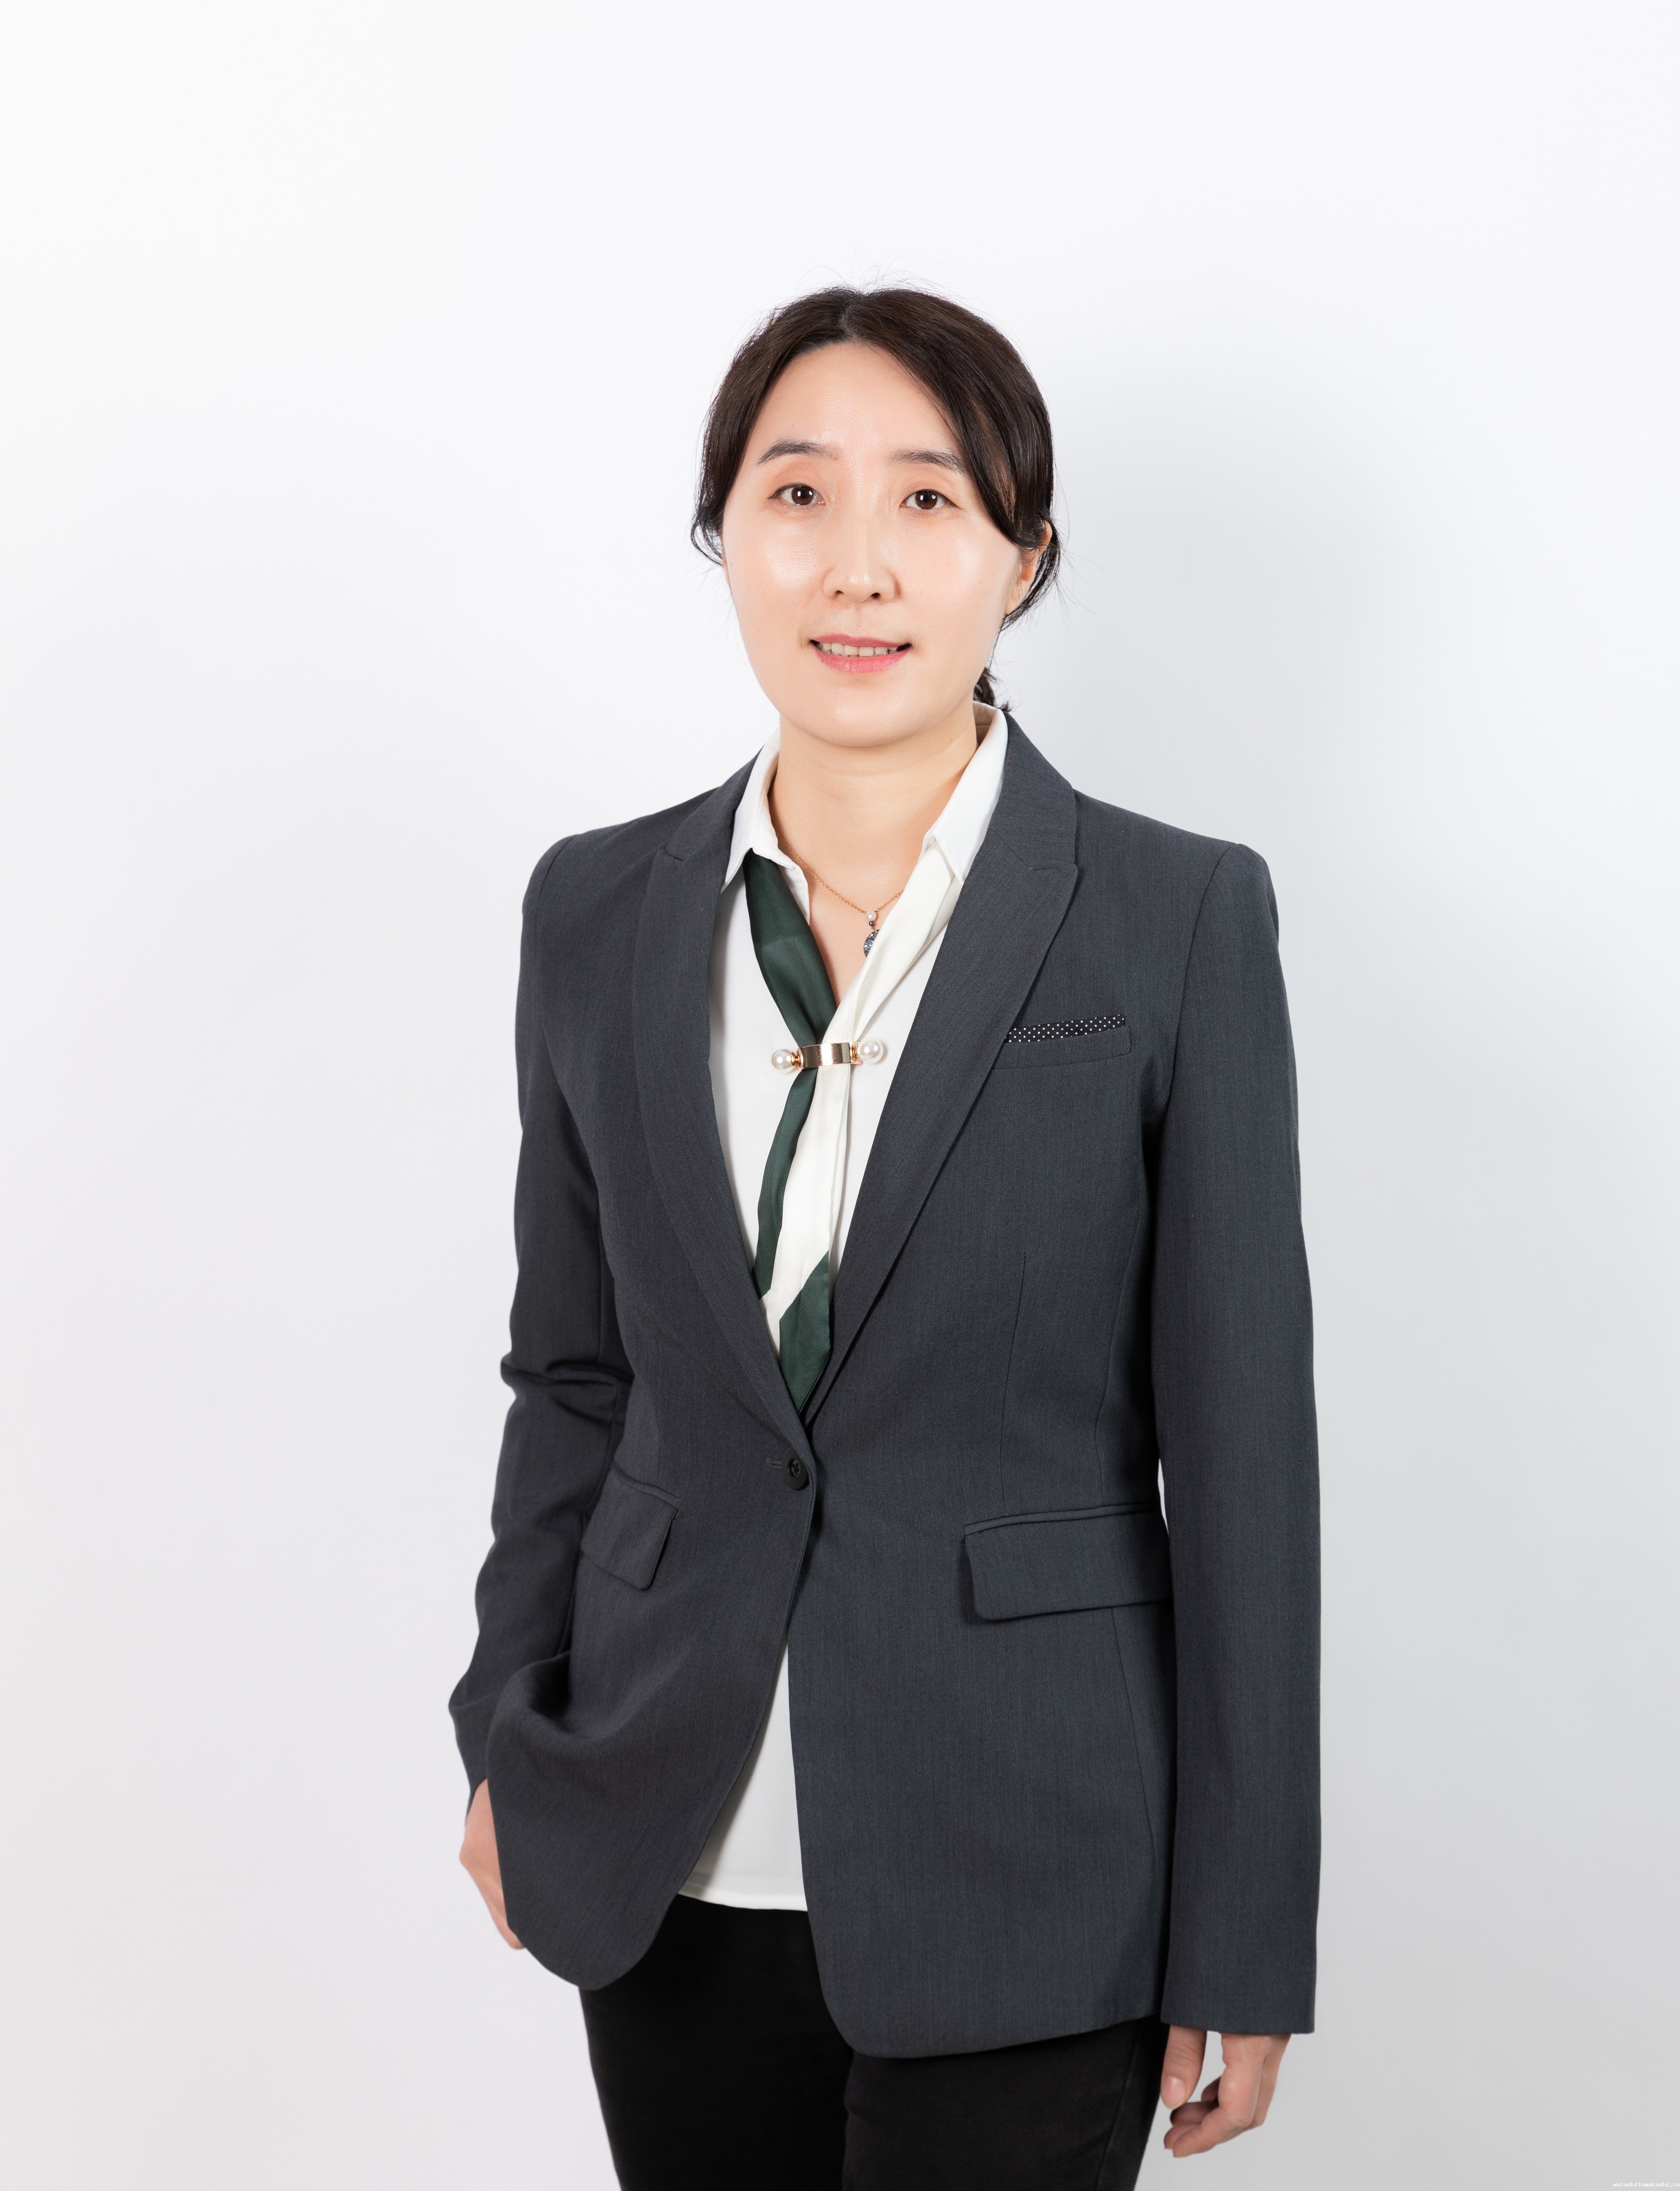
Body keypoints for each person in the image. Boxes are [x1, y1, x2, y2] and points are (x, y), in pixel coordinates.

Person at [450, 286, 1319, 2189]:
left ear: (1022, 556)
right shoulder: (595, 910)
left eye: (927, 500)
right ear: (723, 534)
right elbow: (572, 1372)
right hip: (664, 1849)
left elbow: (1240, 1457)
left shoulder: (1171, 918)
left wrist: (1245, 1928)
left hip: (1037, 1863)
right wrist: (504, 1728)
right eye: (795, 493)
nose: (856, 564)